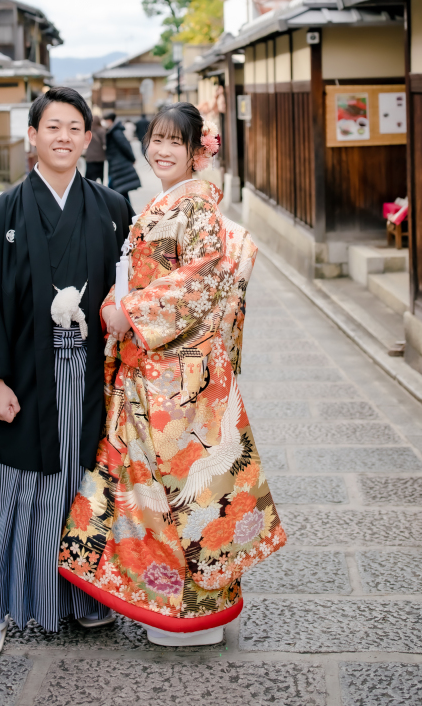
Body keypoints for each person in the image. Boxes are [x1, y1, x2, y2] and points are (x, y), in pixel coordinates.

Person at [59, 102, 286, 646]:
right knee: (150, 491)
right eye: (155, 140)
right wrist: (116, 304)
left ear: (195, 153)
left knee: (186, 496)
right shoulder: (165, 203)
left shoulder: (196, 209)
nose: (161, 150)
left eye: (174, 143)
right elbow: (138, 276)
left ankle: (189, 615)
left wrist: (131, 311)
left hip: (179, 379)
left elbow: (198, 284)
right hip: (153, 367)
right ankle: (165, 606)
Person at [0, 87, 130, 655]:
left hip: (92, 375)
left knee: (87, 484)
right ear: (33, 136)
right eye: (53, 127)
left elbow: (135, 290)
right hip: (26, 376)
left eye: (75, 128)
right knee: (17, 489)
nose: (64, 137)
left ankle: (87, 597)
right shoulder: (2, 214)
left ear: (88, 138)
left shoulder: (112, 208)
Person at [102, 111, 141, 208]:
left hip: (119, 165)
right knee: (120, 190)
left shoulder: (116, 132)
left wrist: (132, 158)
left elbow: (125, 146)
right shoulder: (113, 131)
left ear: (109, 120)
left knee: (118, 189)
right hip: (116, 164)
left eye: (105, 120)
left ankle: (125, 211)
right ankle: (125, 210)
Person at [83, 111, 107, 182]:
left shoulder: (87, 131)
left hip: (90, 156)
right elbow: (105, 142)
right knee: (100, 174)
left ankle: (89, 186)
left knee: (89, 176)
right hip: (100, 157)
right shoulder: (102, 130)